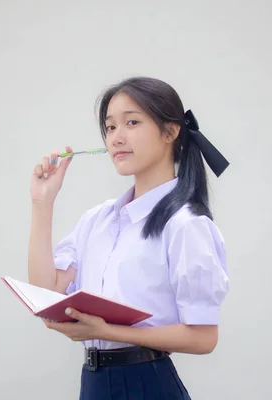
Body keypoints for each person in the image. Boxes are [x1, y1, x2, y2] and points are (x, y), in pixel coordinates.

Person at [27, 76, 230, 399]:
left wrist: (107, 331)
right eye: (109, 128)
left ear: (170, 131)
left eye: (131, 122)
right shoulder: (97, 219)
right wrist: (42, 203)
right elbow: (45, 296)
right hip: (93, 383)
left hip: (147, 383)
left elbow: (204, 338)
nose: (116, 138)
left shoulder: (185, 224)